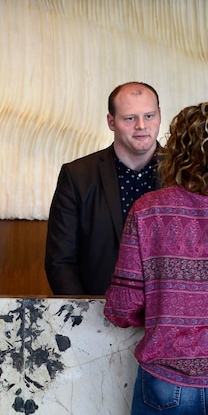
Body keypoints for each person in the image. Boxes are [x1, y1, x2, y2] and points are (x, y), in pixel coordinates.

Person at [105, 102, 208, 415]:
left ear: (176, 150)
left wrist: (167, 308)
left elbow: (121, 309)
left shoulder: (147, 209)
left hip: (166, 382)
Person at [45, 81, 162, 295]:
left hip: (168, 318)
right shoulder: (77, 176)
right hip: (97, 315)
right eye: (130, 118)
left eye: (149, 116)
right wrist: (84, 319)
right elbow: (60, 261)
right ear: (111, 121)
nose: (141, 126)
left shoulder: (186, 174)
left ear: (160, 115)